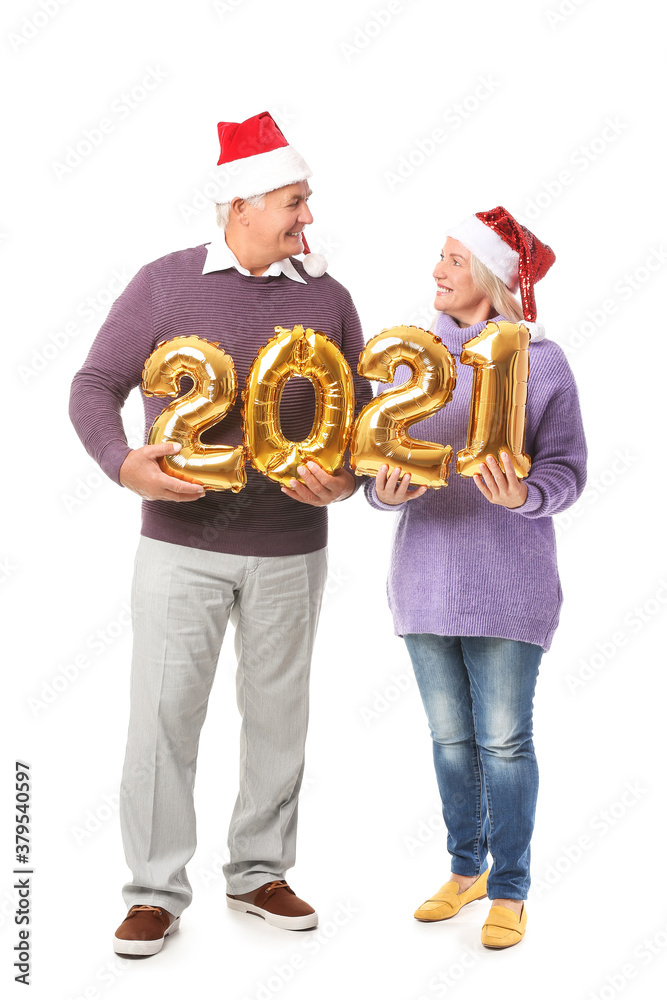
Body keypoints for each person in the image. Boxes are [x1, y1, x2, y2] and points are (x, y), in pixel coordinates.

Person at [69, 111, 371, 956]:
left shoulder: (329, 298)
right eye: (294, 200)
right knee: (163, 715)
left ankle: (259, 873)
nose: (307, 217)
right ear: (241, 203)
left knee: (279, 715)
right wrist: (122, 463)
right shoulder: (165, 285)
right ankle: (155, 890)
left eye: (306, 201)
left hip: (290, 549)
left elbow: (362, 425)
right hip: (179, 547)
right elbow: (94, 383)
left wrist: (346, 480)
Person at [364, 206, 587, 949]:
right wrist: (380, 491)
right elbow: (373, 462)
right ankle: (465, 870)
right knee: (449, 739)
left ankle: (510, 886)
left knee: (503, 742)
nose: (437, 271)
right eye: (440, 257)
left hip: (509, 583)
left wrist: (522, 493)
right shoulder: (408, 360)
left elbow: (566, 473)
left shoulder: (541, 364)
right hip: (424, 577)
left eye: (454, 259)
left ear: (490, 277)